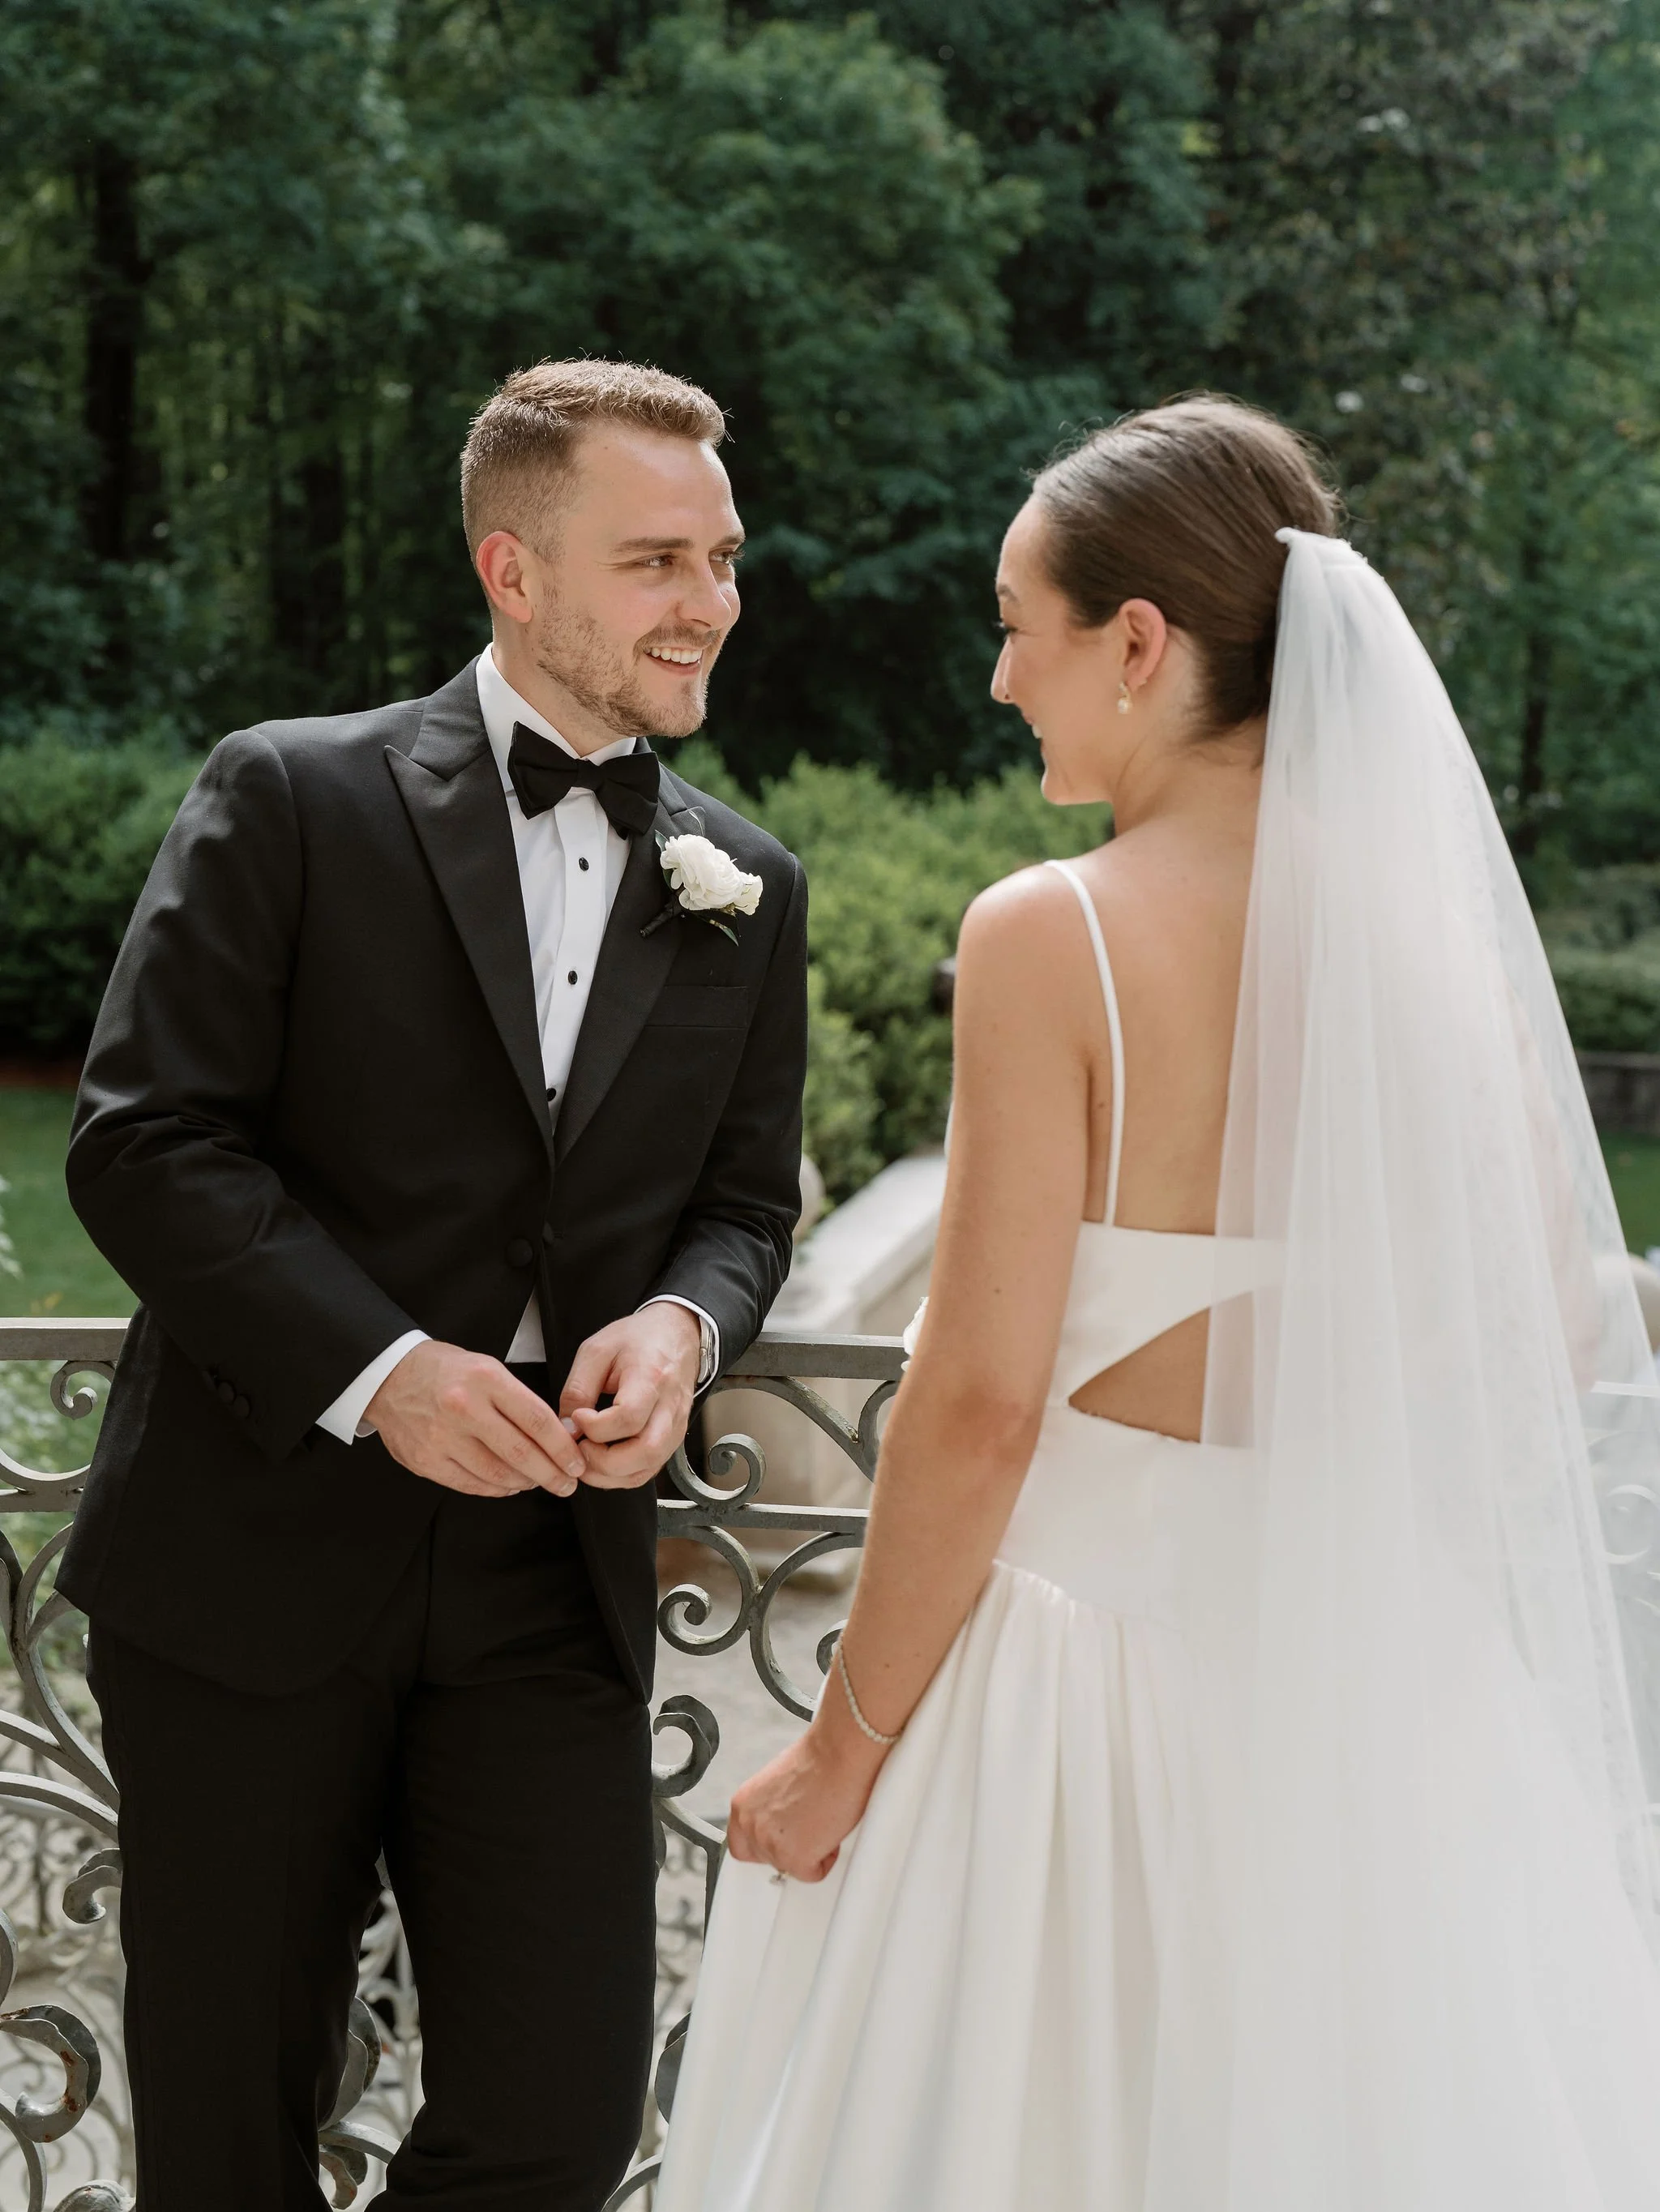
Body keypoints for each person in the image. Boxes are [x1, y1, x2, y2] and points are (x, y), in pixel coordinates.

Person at [655, 397, 1660, 2210]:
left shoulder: (1053, 931)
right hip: (1379, 1694)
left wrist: (838, 1752)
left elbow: (980, 1405)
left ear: (1135, 641)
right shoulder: (1439, 943)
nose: (998, 679)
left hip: (1077, 1701)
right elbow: (1556, 1331)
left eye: (1015, 624)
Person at [61, 357, 808, 2211]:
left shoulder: (746, 881)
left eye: (721, 556)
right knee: (225, 2135)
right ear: (513, 569)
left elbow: (740, 1205)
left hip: (551, 1574)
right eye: (655, 559)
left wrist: (685, 1324)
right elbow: (146, 1139)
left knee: (559, 2119)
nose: (709, 601)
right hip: (250, 1552)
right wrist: (383, 1366)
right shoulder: (290, 792)